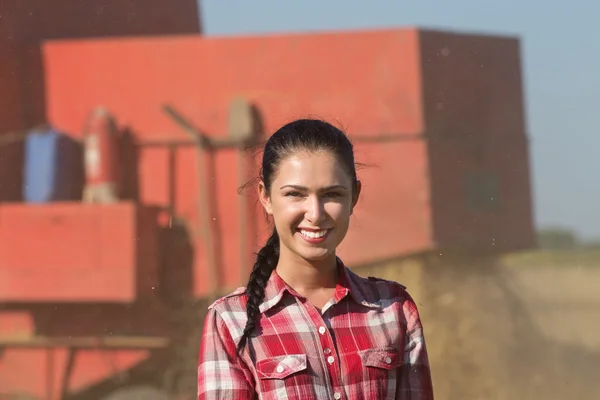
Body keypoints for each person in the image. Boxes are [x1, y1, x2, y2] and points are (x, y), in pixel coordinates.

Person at [197, 119, 434, 400]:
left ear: (354, 196)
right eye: (295, 194)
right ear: (265, 197)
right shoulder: (230, 321)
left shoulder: (394, 310)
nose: (315, 213)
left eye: (331, 194)